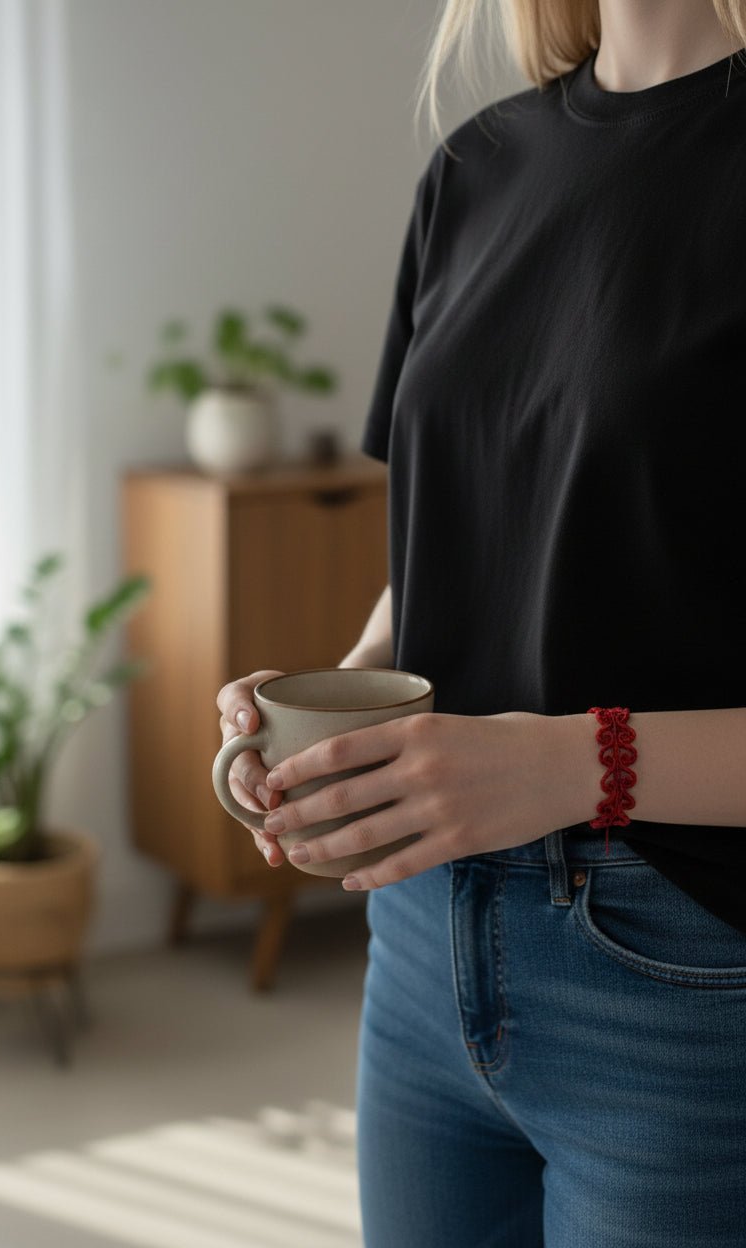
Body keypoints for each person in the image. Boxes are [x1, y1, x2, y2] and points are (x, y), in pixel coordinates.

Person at [216, 1, 746, 1243]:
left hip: (683, 979)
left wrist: (570, 765)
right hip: (419, 947)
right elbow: (450, 546)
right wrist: (331, 697)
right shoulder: (474, 166)